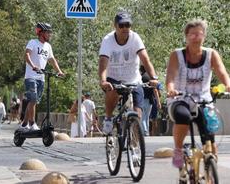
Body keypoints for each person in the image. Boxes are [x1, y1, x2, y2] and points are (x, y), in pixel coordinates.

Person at [166, 19, 230, 168]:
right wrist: (171, 89)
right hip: (180, 98)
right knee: (183, 116)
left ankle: (210, 171)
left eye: (199, 34)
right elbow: (170, 77)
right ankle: (178, 149)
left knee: (209, 136)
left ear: (204, 36)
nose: (195, 37)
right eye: (192, 34)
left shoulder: (211, 54)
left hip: (203, 100)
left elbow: (222, 73)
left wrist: (227, 84)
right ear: (186, 37)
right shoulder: (176, 55)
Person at [98, 11, 158, 135]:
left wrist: (154, 78)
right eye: (121, 25)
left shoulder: (135, 38)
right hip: (114, 78)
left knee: (138, 113)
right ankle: (108, 119)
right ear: (115, 26)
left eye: (128, 25)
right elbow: (103, 63)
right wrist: (103, 80)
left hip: (133, 79)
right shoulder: (108, 40)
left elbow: (145, 59)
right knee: (112, 91)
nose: (125, 28)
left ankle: (134, 146)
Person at [20, 22, 64, 131]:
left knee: (33, 101)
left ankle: (24, 124)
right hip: (31, 76)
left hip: (41, 78)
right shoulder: (33, 42)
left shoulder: (48, 46)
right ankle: (32, 123)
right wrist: (33, 65)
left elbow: (52, 60)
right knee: (33, 99)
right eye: (48, 32)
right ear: (41, 33)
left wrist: (59, 71)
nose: (50, 35)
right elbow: (27, 55)